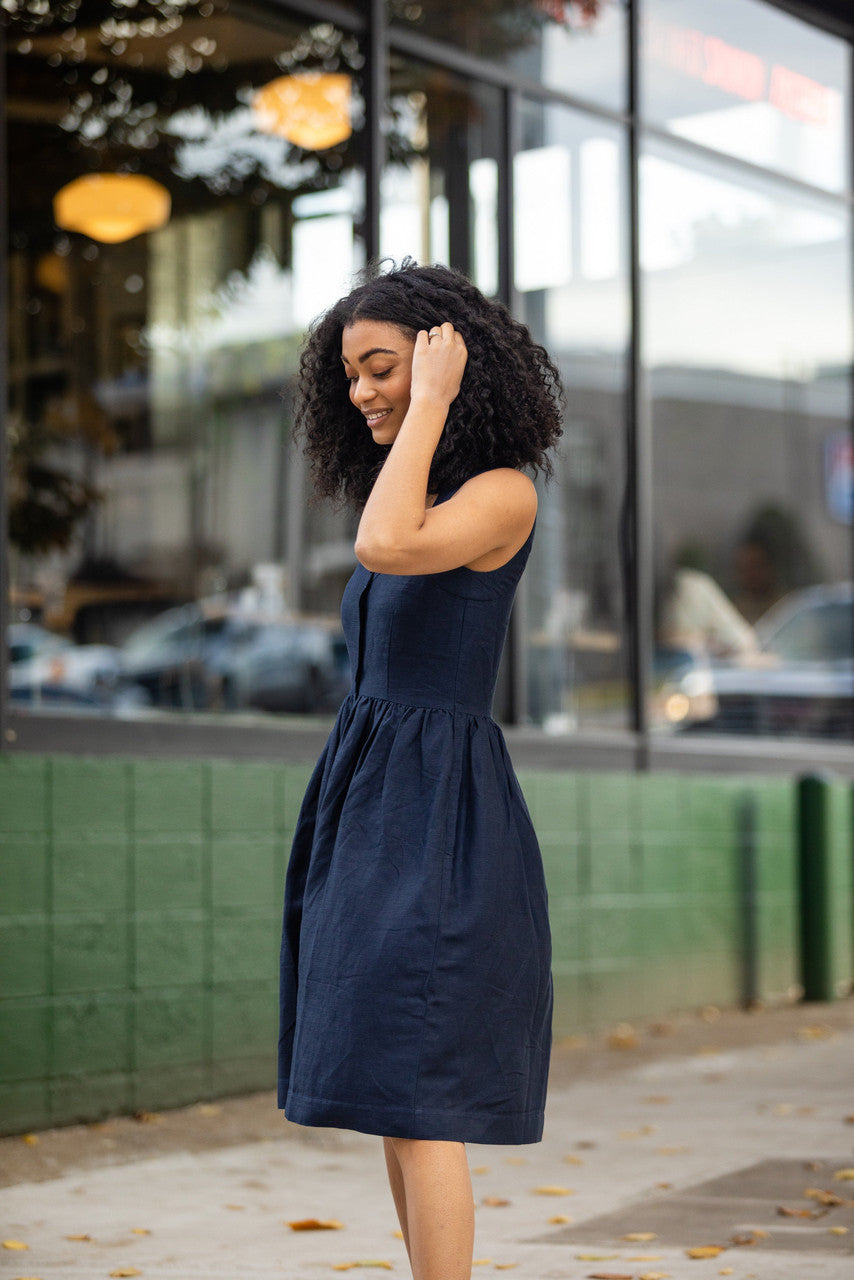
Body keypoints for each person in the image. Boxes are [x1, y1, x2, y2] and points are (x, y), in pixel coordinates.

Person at [278, 261, 562, 1280]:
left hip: (439, 811)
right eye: (349, 374)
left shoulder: (500, 491)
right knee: (391, 1089)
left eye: (382, 366)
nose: (361, 393)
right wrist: (415, 416)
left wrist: (432, 400)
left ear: (446, 360)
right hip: (370, 794)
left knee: (418, 1085)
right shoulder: (427, 483)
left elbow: (384, 541)